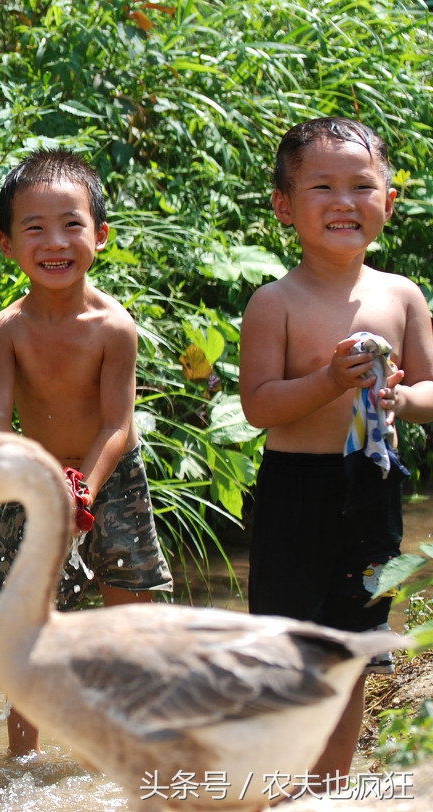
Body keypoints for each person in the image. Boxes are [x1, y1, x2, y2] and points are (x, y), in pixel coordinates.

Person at [239, 117, 433, 791]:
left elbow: (431, 386)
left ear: (389, 200)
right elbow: (260, 406)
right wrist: (326, 381)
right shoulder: (275, 302)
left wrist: (405, 402)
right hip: (297, 486)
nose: (344, 201)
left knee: (349, 650)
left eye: (361, 185)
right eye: (321, 186)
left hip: (373, 483)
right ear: (284, 206)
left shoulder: (402, 295)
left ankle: (326, 791)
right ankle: (268, 783)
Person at [0, 148, 174, 757]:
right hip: (35, 483)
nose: (54, 241)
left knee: (129, 619)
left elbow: (118, 425)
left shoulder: (114, 327)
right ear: (7, 243)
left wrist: (84, 486)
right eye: (34, 227)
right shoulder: (6, 330)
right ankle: (22, 761)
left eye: (72, 224)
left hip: (111, 477)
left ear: (101, 235)